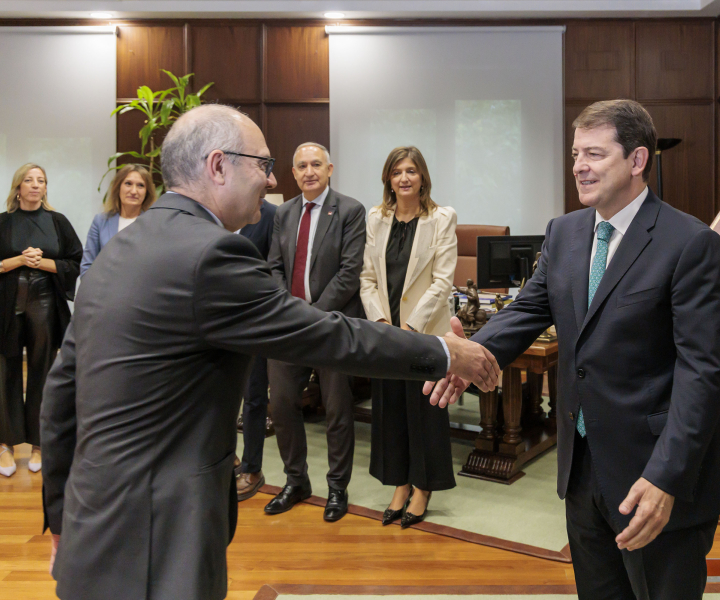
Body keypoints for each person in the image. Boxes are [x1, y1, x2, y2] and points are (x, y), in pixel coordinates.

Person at [40, 104, 500, 600]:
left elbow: (60, 394)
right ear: (218, 166)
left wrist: (62, 517)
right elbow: (330, 336)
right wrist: (443, 352)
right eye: (262, 163)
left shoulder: (119, 253)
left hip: (92, 520)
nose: (274, 177)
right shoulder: (211, 254)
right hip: (159, 534)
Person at [427, 100, 720, 600]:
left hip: (655, 474)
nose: (579, 167)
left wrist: (666, 477)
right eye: (575, 154)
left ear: (637, 160)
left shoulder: (690, 243)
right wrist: (470, 355)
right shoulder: (565, 232)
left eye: (594, 153)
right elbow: (527, 310)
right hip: (583, 465)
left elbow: (703, 374)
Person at [263, 142, 366, 521]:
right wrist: (289, 311)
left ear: (330, 169)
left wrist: (313, 315)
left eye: (316, 165)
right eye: (302, 165)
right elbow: (274, 266)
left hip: (332, 326)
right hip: (288, 327)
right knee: (283, 404)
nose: (309, 171)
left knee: (337, 409)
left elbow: (349, 274)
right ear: (293, 173)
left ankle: (337, 488)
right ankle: (296, 480)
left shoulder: (350, 210)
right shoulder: (284, 213)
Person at [360, 146, 458, 528]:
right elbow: (367, 278)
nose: (404, 178)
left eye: (411, 171)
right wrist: (382, 321)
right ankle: (399, 484)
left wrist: (410, 327)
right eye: (397, 171)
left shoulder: (441, 218)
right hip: (386, 332)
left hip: (423, 333)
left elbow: (442, 280)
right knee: (389, 410)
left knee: (424, 411)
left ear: (422, 178)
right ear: (388, 178)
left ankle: (423, 487)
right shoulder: (376, 218)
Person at [0, 164, 82, 478]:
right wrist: (19, 260)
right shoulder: (3, 222)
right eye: (29, 180)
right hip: (5, 307)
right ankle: (4, 444)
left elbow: (76, 260)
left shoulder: (57, 221)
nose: (36, 185)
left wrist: (42, 262)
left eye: (41, 181)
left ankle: (39, 443)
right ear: (17, 187)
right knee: (5, 372)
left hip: (45, 304)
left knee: (43, 372)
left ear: (45, 188)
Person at [235, 197, 278, 499]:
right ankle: (227, 460)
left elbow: (275, 269)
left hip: (253, 319)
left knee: (253, 396)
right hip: (214, 318)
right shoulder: (209, 212)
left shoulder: (271, 215)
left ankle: (252, 467)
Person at [80, 164, 156, 276]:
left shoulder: (154, 223)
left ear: (147, 192)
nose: (134, 191)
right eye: (128, 184)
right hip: (104, 291)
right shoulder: (100, 221)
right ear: (118, 187)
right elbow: (87, 267)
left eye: (140, 185)